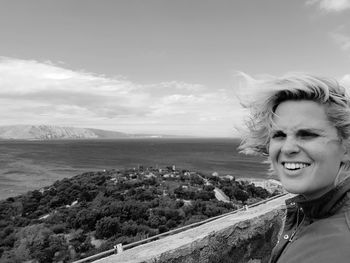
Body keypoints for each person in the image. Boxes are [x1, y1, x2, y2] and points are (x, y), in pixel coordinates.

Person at [238, 73, 350, 263]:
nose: (288, 148)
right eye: (279, 135)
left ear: (346, 147)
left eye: (307, 134)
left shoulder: (334, 247)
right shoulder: (316, 214)